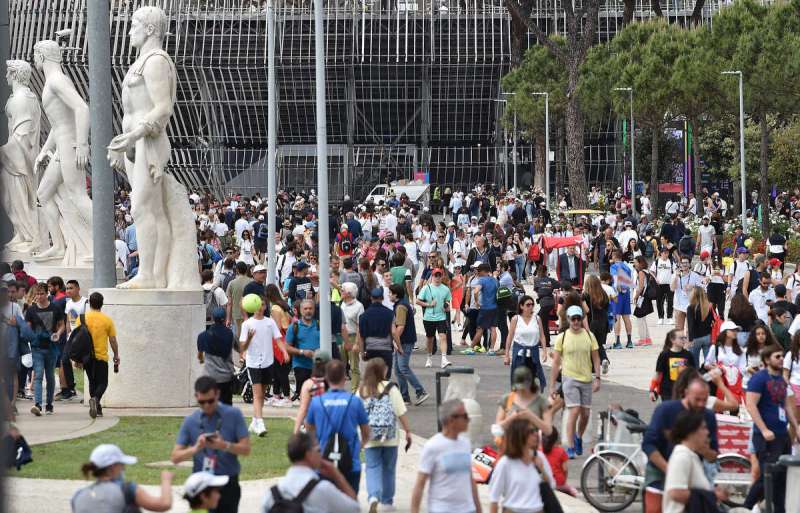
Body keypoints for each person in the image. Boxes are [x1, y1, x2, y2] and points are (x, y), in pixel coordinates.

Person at [641, 372, 719, 513]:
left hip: (691, 472)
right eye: (697, 400)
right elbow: (648, 444)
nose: (701, 404)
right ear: (686, 393)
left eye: (705, 400)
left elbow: (713, 455)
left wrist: (703, 449)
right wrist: (670, 469)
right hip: (659, 471)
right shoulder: (666, 410)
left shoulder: (708, 416)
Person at [171, 377, 251, 513]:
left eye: (210, 401)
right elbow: (175, 457)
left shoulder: (233, 414)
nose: (207, 406)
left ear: (217, 394)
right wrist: (196, 448)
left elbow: (246, 449)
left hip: (227, 482)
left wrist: (224, 445)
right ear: (196, 396)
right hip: (202, 486)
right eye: (202, 402)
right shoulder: (190, 421)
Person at [743, 345, 800, 513]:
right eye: (777, 356)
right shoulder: (759, 379)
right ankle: (745, 508)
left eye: (782, 356)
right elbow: (751, 405)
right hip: (766, 436)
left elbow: (787, 408)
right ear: (767, 360)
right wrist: (764, 429)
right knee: (767, 476)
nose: (781, 359)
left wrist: (796, 428)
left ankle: (779, 510)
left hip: (783, 435)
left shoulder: (781, 381)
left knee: (782, 478)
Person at [305, 359, 370, 493]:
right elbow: (366, 431)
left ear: (327, 378)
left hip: (324, 461)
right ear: (344, 378)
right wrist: (361, 445)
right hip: (350, 461)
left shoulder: (317, 402)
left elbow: (309, 428)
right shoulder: (354, 401)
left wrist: (316, 444)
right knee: (349, 502)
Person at [358, 358, 413, 512]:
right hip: (390, 437)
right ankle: (387, 502)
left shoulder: (362, 390)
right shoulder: (391, 388)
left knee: (372, 467)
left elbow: (357, 414)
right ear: (383, 371)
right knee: (389, 469)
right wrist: (408, 431)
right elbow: (400, 413)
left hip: (370, 436)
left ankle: (373, 496)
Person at [410, 399, 482, 513]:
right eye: (465, 416)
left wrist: (478, 509)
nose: (469, 420)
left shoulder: (465, 443)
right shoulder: (433, 446)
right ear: (451, 420)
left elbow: (470, 479)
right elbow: (420, 483)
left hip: (468, 509)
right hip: (442, 509)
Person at [260, 432, 359, 513]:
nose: (321, 454)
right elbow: (354, 508)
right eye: (318, 450)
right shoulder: (323, 489)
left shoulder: (271, 494)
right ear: (309, 455)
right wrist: (337, 475)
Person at [549, 305, 601, 459]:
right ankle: (570, 446)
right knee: (574, 410)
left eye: (579, 318)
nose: (576, 322)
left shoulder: (589, 336)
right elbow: (556, 362)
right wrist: (552, 385)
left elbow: (596, 358)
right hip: (569, 379)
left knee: (585, 414)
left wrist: (597, 378)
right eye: (573, 319)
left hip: (586, 379)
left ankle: (578, 436)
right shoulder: (562, 337)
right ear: (568, 320)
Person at [71, 444, 173, 513]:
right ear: (112, 467)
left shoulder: (78, 496)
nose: (124, 467)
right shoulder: (127, 490)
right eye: (121, 464)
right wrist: (166, 480)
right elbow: (164, 504)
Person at [239, 295, 286, 437]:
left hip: (268, 362)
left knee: (261, 395)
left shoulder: (270, 322)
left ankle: (254, 421)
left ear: (265, 307)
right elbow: (243, 346)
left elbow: (278, 339)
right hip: (253, 363)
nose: (260, 307)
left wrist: (284, 352)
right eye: (258, 305)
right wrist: (250, 338)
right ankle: (260, 422)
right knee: (257, 394)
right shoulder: (247, 324)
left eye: (263, 305)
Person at [488, 417, 557, 513]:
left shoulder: (539, 457)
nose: (536, 434)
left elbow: (552, 485)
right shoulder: (506, 463)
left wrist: (542, 470)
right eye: (531, 431)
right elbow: (494, 497)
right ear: (519, 435)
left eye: (536, 430)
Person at [662, 410, 723, 513]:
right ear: (691, 432)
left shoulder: (691, 455)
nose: (707, 432)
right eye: (703, 428)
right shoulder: (682, 456)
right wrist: (713, 496)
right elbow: (676, 492)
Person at [73, 292, 120, 419]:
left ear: (89, 303)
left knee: (92, 382)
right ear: (102, 303)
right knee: (103, 382)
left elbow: (76, 340)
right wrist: (116, 354)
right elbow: (113, 340)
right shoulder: (107, 320)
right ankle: (95, 399)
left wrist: (77, 359)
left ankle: (97, 408)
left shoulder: (81, 319)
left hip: (86, 357)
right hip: (101, 356)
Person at [24, 282, 65, 416]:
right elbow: (27, 328)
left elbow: (62, 325)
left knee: (50, 376)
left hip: (52, 347)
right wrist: (29, 337)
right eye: (37, 293)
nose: (40, 296)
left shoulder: (55, 308)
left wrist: (57, 334)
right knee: (38, 375)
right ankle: (37, 405)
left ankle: (49, 404)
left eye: (42, 293)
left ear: (47, 293)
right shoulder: (31, 310)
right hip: (37, 348)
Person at [389, 284, 429, 405]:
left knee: (403, 368)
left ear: (396, 294)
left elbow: (400, 327)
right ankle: (405, 397)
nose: (388, 295)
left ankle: (420, 391)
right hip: (404, 340)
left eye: (390, 293)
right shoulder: (401, 304)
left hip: (405, 341)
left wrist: (395, 341)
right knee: (398, 369)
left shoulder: (401, 306)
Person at [504, 295, 548, 389]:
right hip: (520, 354)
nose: (531, 307)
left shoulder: (537, 318)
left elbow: (542, 336)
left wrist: (544, 351)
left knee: (532, 383)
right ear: (521, 306)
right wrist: (507, 355)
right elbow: (510, 337)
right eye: (528, 305)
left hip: (533, 355)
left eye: (532, 304)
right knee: (520, 383)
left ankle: (530, 401)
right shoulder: (516, 319)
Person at [197, 307, 238, 405]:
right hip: (226, 377)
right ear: (225, 318)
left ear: (212, 318)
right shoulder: (230, 335)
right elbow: (240, 349)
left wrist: (202, 360)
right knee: (226, 407)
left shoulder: (203, 336)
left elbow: (200, 356)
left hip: (209, 376)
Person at [358, 288, 400, 374]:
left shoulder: (363, 316)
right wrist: (399, 347)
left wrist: (362, 352)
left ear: (371, 298)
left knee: (373, 377)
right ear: (382, 298)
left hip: (370, 350)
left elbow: (361, 336)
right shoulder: (389, 313)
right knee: (385, 376)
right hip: (386, 349)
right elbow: (394, 332)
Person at [286, 299, 321, 399]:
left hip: (318, 366)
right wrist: (302, 352)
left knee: (316, 395)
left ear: (314, 310)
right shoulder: (294, 327)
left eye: (310, 308)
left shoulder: (320, 325)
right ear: (301, 311)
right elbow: (287, 347)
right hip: (300, 365)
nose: (308, 311)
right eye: (305, 309)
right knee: (304, 394)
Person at [417, 268, 452, 369]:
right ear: (432, 276)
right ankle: (429, 358)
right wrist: (429, 304)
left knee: (443, 336)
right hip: (428, 317)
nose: (437, 278)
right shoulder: (426, 288)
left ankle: (444, 359)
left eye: (439, 275)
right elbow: (418, 301)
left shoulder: (445, 289)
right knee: (430, 338)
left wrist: (446, 306)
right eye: (435, 275)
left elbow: (448, 301)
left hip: (441, 317)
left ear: (442, 277)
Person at [649, 329, 695, 402]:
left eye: (685, 338)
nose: (684, 340)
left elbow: (693, 374)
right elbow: (658, 373)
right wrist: (652, 390)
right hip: (667, 391)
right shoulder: (664, 355)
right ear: (672, 340)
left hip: (684, 391)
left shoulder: (688, 355)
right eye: (681, 338)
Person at [469, 263, 498, 354]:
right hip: (494, 307)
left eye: (479, 271)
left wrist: (477, 302)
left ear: (483, 271)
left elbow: (476, 291)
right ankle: (491, 349)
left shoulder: (482, 280)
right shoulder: (494, 280)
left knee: (480, 329)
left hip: (485, 307)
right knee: (493, 328)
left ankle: (471, 348)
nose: (478, 273)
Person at [541, 427, 578, 497]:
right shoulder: (561, 451)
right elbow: (565, 469)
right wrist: (564, 481)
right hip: (559, 483)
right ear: (556, 439)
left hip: (544, 483)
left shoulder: (539, 451)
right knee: (573, 491)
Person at [671, 255, 703, 333]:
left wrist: (692, 287)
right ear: (680, 264)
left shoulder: (695, 276)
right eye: (682, 263)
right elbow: (672, 288)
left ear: (689, 264)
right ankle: (680, 345)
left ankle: (688, 345)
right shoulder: (675, 275)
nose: (684, 264)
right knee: (679, 330)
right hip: (678, 305)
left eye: (686, 262)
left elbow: (701, 289)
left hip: (691, 305)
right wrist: (676, 277)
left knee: (690, 330)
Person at [609, 250, 634, 349]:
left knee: (617, 317)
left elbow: (616, 280)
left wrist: (617, 290)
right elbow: (630, 281)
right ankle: (629, 341)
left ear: (615, 257)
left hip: (617, 293)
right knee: (626, 317)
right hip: (626, 293)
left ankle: (618, 342)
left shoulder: (613, 267)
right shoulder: (627, 267)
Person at [632, 256, 654, 346]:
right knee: (643, 319)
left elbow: (640, 287)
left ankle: (642, 339)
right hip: (647, 298)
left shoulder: (641, 272)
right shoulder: (647, 271)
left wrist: (635, 296)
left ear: (640, 263)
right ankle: (647, 339)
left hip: (642, 298)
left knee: (640, 319)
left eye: (636, 262)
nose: (634, 264)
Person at [651, 248, 675, 325]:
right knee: (659, 302)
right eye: (664, 253)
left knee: (670, 301)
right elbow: (651, 271)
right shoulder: (657, 261)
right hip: (659, 285)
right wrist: (655, 279)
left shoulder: (671, 262)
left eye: (667, 253)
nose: (666, 254)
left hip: (669, 285)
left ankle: (670, 317)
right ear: (661, 253)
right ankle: (660, 318)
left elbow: (676, 271)